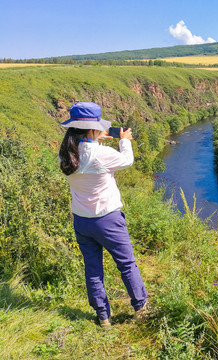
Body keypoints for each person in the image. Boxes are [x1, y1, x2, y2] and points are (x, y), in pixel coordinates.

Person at [58, 102, 148, 328]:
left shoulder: (65, 155)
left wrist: (94, 139)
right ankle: (141, 309)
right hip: (107, 220)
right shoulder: (102, 154)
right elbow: (127, 160)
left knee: (93, 268)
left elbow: (86, 154)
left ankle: (103, 317)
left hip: (81, 220)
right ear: (90, 130)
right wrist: (124, 140)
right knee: (127, 264)